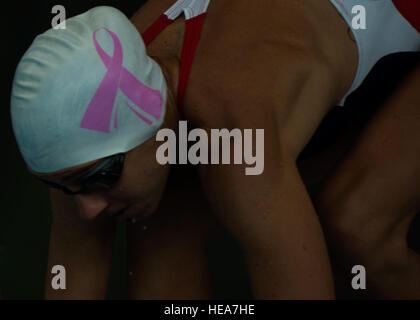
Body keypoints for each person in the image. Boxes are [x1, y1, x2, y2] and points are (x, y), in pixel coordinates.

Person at [10, 0, 420, 299]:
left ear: (152, 124)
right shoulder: (74, 134)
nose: (87, 208)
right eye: (67, 187)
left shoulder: (236, 137)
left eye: (101, 177)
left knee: (358, 224)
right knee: (162, 223)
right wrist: (91, 181)